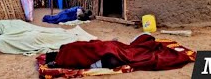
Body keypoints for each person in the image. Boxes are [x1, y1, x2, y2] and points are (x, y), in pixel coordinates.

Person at [44, 33, 196, 70]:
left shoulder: (67, 49)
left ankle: (110, 57)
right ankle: (109, 58)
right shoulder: (66, 50)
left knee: (109, 47)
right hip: (109, 49)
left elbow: (92, 45)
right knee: (106, 49)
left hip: (112, 48)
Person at [0, 19, 97, 56]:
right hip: (32, 38)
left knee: (49, 39)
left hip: (32, 41)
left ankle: (69, 37)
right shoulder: (2, 40)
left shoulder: (1, 47)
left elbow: (19, 48)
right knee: (48, 36)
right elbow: (19, 36)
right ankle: (70, 37)